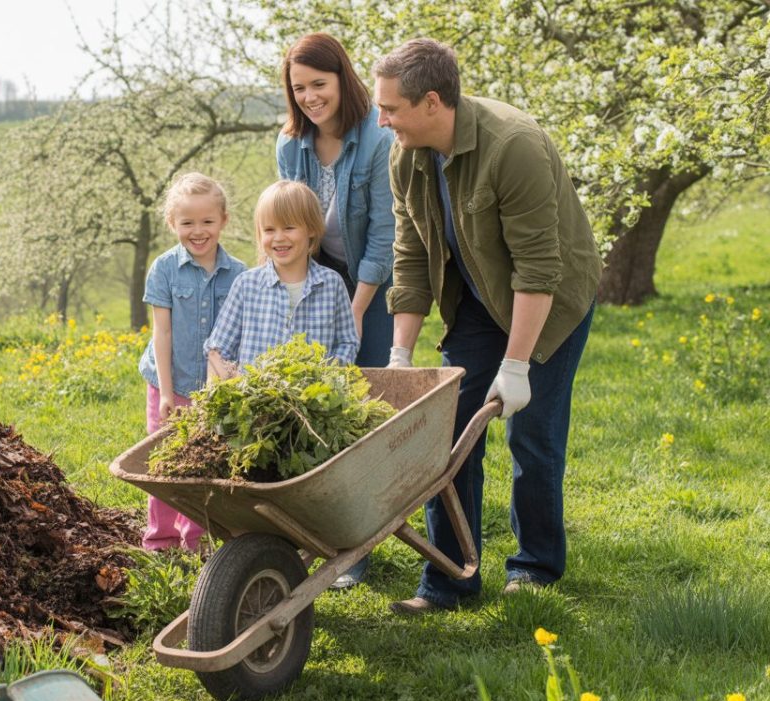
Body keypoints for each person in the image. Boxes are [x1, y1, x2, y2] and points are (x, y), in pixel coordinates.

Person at [371, 38, 602, 614]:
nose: (381, 119)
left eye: (391, 108)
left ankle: (534, 569)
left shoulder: (513, 146)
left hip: (549, 302)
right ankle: (449, 580)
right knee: (447, 434)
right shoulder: (406, 155)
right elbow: (409, 256)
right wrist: (401, 354)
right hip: (475, 301)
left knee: (533, 437)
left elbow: (538, 268)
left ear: (431, 102)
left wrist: (517, 364)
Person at [137, 172, 247, 552]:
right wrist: (166, 392)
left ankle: (198, 537)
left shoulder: (240, 275)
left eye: (207, 221)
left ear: (224, 221)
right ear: (172, 224)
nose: (197, 231)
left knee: (204, 461)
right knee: (164, 462)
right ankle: (161, 539)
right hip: (169, 380)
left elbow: (237, 339)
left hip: (213, 389)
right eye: (187, 223)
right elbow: (162, 334)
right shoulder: (164, 269)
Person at [276, 33, 395, 369]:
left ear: (342, 78)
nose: (309, 97)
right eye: (299, 88)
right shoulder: (289, 144)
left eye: (319, 84)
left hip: (373, 274)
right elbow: (288, 223)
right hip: (318, 273)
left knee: (370, 376)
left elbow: (384, 234)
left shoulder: (379, 139)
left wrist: (354, 313)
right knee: (316, 376)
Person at [204, 180, 358, 381]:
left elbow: (347, 343)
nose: (278, 237)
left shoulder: (332, 285)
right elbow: (217, 349)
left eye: (289, 227)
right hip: (255, 404)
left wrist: (328, 379)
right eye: (269, 230)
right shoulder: (246, 285)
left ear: (311, 229)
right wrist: (236, 384)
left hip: (313, 404)